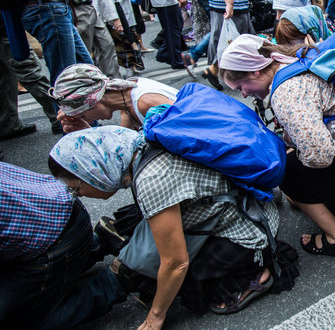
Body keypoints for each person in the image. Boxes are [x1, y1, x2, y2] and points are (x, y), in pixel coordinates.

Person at [48, 125, 298, 329]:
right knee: (141, 252)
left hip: (245, 231)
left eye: (76, 188)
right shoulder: (138, 142)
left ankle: (256, 272)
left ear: (95, 171)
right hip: (227, 209)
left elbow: (176, 263)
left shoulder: (151, 179)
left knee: (184, 280)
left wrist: (155, 318)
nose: (78, 195)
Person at [220, 34, 335, 257]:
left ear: (256, 71)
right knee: (299, 154)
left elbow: (320, 155)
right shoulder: (301, 58)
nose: (243, 93)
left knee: (288, 170)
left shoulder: (285, 91)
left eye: (240, 86)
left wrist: (295, 156)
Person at [0, 161, 125, 329]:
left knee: (19, 321)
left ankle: (119, 279)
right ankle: (97, 242)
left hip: (55, 241)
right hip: (59, 202)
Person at [50, 64, 177, 133]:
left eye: (84, 116)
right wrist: (86, 131)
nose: (89, 120)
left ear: (94, 101)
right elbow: (125, 145)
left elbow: (189, 135)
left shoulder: (146, 102)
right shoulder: (125, 101)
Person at [0, 19, 61, 138]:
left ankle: (8, 124)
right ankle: (59, 117)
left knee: (4, 77)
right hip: (6, 28)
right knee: (29, 71)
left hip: (5, 28)